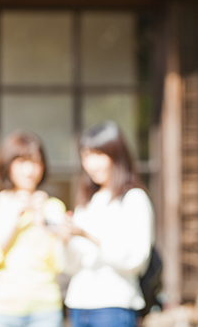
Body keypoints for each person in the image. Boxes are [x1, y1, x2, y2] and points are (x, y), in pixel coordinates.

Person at [62, 121, 154, 327]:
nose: (91, 164)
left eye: (98, 155)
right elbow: (71, 266)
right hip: (78, 304)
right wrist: (66, 240)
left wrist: (87, 236)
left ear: (117, 155)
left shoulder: (133, 199)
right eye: (86, 156)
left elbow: (136, 260)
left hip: (115, 305)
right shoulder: (87, 201)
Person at [0, 131, 66, 327]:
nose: (30, 170)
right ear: (8, 164)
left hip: (46, 308)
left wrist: (41, 222)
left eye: (36, 162)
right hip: (1, 309)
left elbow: (59, 264)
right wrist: (13, 220)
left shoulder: (53, 207)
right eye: (22, 161)